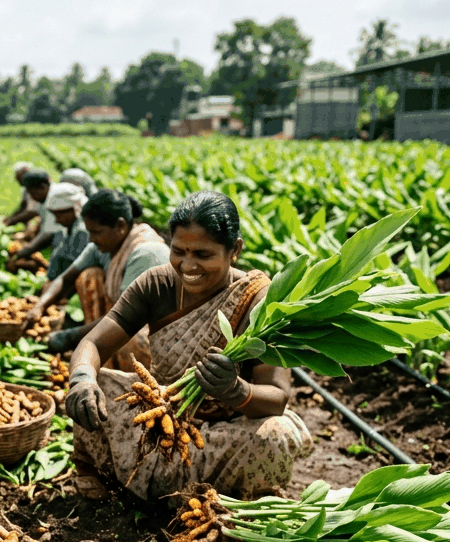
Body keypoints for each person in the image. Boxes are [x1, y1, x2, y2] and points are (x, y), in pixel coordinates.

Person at [65, 189, 313, 501]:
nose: (188, 266)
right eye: (179, 251)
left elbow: (276, 398)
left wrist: (235, 390)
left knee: (275, 435)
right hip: (160, 419)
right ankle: (102, 480)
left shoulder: (257, 301)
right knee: (96, 383)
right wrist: (83, 380)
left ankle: (227, 501)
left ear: (234, 249)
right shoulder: (157, 284)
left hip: (228, 431)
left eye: (203, 254)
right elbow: (93, 344)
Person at [23, 190, 169, 365]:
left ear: (121, 226)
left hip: (157, 332)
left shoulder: (146, 252)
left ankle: (127, 370)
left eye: (97, 232)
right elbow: (67, 278)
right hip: (124, 316)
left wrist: (70, 338)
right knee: (88, 276)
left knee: (131, 336)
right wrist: (39, 307)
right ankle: (104, 354)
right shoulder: (106, 245)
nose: (91, 239)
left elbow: (125, 317)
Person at [3, 162, 40, 228]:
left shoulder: (35, 188)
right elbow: (23, 206)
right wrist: (11, 217)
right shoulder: (25, 189)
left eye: (18, 177)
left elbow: (32, 212)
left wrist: (11, 221)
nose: (16, 179)